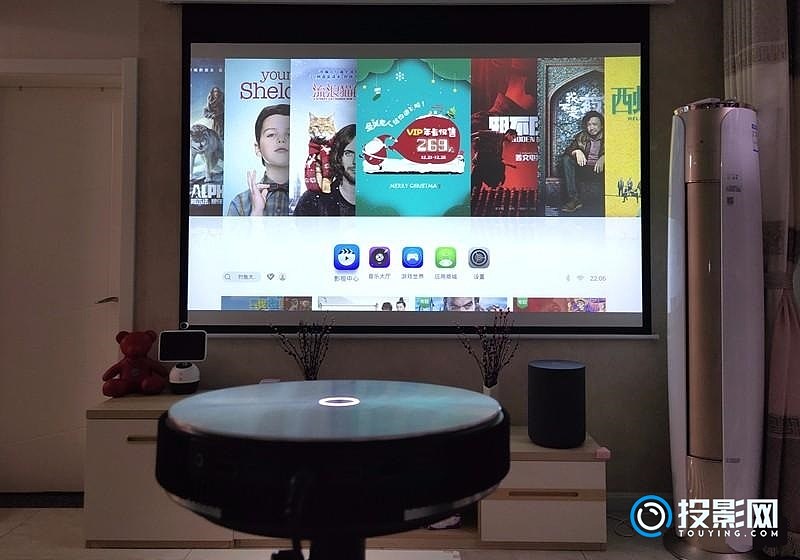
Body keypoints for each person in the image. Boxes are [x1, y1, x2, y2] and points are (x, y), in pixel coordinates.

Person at [228, 103, 290, 216]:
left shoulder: (310, 198)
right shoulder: (240, 203)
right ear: (257, 148)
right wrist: (256, 212)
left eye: (289, 134)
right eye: (271, 134)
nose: (281, 139)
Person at [294, 124, 356, 216]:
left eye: (361, 154)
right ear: (339, 157)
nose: (355, 161)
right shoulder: (312, 201)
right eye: (348, 154)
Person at [560, 110, 604, 213]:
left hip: (602, 171)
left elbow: (619, 152)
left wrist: (605, 157)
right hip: (584, 169)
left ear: (601, 126)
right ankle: (574, 199)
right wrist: (576, 151)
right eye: (589, 125)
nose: (591, 127)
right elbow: (567, 151)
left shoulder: (608, 137)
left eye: (594, 124)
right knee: (566, 159)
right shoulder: (581, 136)